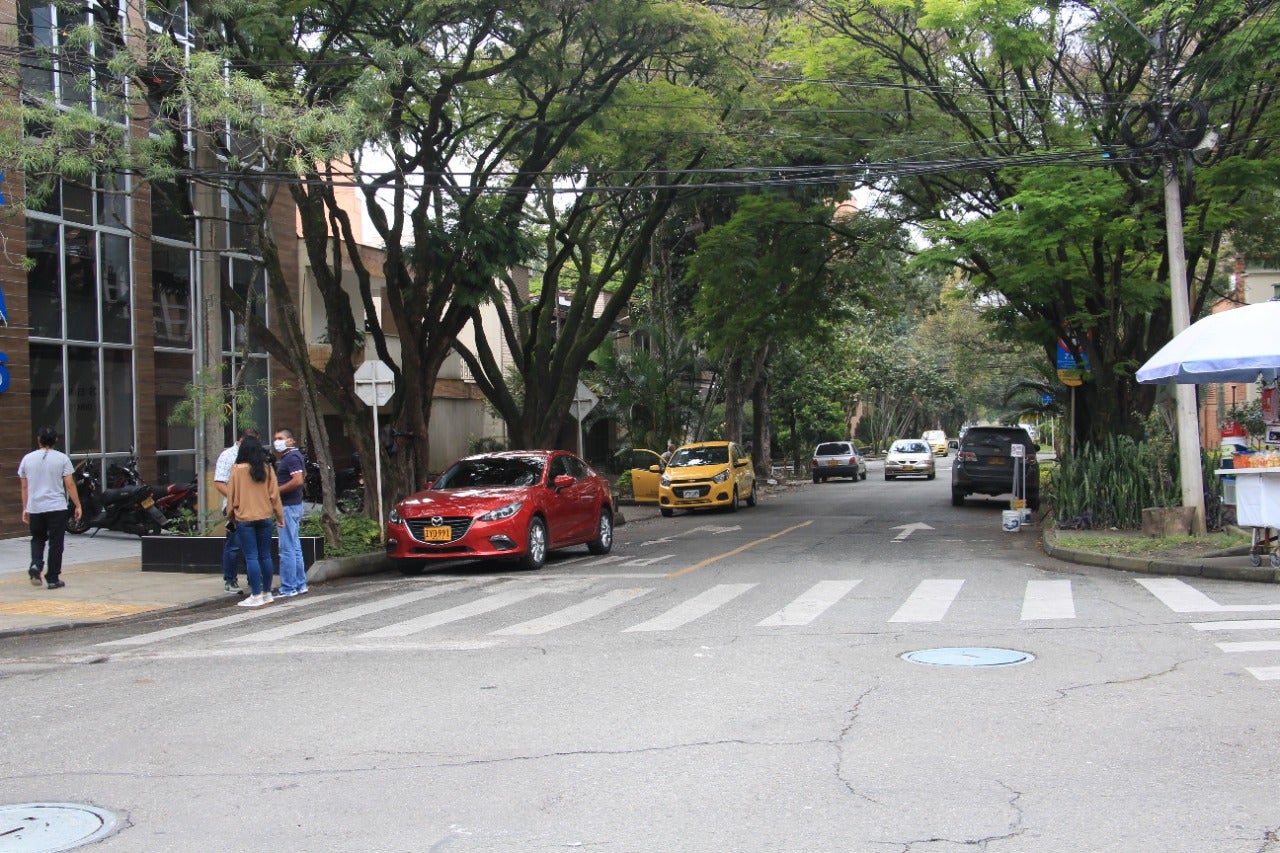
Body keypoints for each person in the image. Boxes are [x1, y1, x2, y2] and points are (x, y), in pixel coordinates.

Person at [18, 426, 83, 590]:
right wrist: (77, 505)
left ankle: (35, 565)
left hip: (36, 507)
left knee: (38, 538)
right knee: (56, 543)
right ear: (55, 440)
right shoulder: (62, 458)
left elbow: (24, 487)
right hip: (56, 507)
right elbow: (69, 484)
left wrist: (25, 508)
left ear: (38, 439)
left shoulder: (27, 459)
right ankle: (53, 578)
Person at [225, 435, 284, 608]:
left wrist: (231, 517)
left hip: (245, 518)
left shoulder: (237, 469)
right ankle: (267, 593)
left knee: (251, 557)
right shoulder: (267, 468)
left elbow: (231, 496)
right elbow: (275, 495)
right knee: (265, 555)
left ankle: (255, 594)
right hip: (265, 517)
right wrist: (280, 517)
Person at [213, 428, 258, 594]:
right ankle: (230, 580)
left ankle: (253, 580)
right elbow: (219, 482)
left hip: (253, 507)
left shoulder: (255, 456)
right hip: (235, 506)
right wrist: (236, 499)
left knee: (252, 545)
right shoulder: (228, 456)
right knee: (234, 544)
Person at [272, 427, 308, 597]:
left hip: (288, 507)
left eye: (280, 438)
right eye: (275, 438)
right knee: (294, 547)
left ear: (291, 441)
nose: (276, 442)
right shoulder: (294, 457)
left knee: (286, 549)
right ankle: (300, 584)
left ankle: (288, 587)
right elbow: (303, 475)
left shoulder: (291, 457)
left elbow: (298, 480)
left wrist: (276, 491)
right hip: (294, 505)